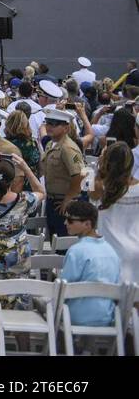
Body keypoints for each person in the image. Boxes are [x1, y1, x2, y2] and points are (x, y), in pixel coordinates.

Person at [0, 154, 44, 281]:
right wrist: (25, 168)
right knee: (16, 296)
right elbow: (42, 192)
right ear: (13, 179)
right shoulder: (24, 200)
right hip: (17, 261)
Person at [59, 200, 122, 329]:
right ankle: (85, 348)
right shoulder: (112, 251)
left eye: (70, 220)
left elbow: (62, 289)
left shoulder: (76, 251)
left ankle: (61, 347)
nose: (65, 223)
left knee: (45, 303)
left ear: (87, 224)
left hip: (74, 316)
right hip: (106, 316)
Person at [91, 141, 139, 287]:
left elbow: (86, 186)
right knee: (133, 304)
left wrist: (99, 168)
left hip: (108, 252)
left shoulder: (100, 187)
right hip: (135, 250)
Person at [41, 107, 86, 237]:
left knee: (63, 242)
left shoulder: (68, 148)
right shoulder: (51, 144)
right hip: (52, 200)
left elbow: (80, 174)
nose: (49, 127)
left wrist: (68, 199)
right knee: (54, 238)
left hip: (64, 202)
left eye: (54, 124)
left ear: (66, 128)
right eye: (48, 123)